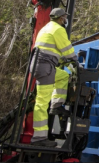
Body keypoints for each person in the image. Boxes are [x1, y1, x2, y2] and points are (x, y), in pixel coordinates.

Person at [30, 8, 76, 147]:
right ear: (62, 18)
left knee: (63, 76)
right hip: (45, 67)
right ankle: (39, 138)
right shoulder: (58, 29)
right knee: (42, 102)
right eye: (65, 17)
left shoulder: (46, 28)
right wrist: (75, 61)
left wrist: (62, 60)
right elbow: (67, 50)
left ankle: (56, 105)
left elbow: (52, 50)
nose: (65, 19)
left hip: (43, 65)